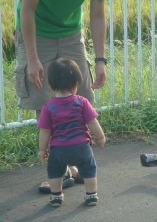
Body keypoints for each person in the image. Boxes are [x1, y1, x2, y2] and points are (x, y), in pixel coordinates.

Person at [14, 0, 110, 191]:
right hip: (37, 32)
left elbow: (98, 13)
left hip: (71, 33)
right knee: (44, 102)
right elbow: (27, 10)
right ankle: (61, 170)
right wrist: (32, 59)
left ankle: (80, 162)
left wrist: (101, 60)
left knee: (81, 98)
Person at [38, 58, 106, 206]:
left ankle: (56, 196)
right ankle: (91, 195)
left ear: (50, 85)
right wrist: (100, 137)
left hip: (58, 149)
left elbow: (45, 131)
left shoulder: (48, 107)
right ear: (76, 83)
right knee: (89, 168)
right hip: (81, 146)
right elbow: (92, 122)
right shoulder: (82, 102)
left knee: (55, 171)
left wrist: (42, 149)